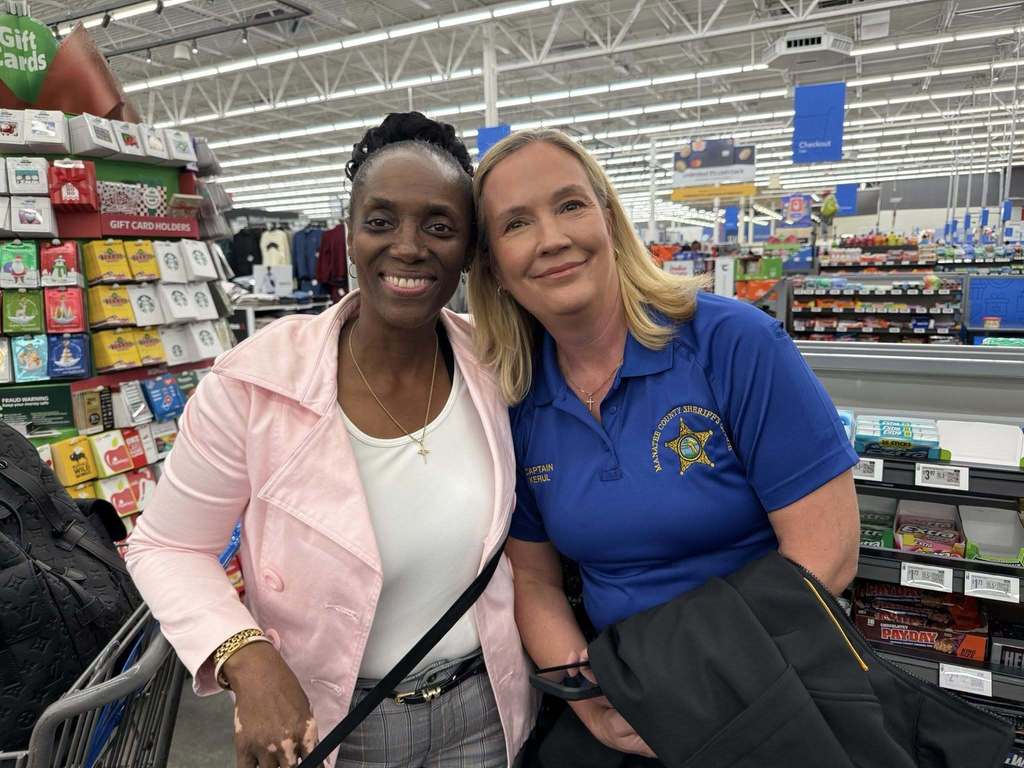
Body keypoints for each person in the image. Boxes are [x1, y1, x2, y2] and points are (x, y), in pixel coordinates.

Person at [126, 113, 537, 768]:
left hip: (481, 711)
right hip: (336, 722)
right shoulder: (256, 383)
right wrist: (246, 655)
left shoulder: (497, 367)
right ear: (349, 234)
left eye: (439, 226)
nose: (407, 246)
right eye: (380, 221)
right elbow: (168, 545)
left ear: (468, 248)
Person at [466, 129, 860, 763]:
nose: (552, 238)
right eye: (516, 224)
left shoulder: (733, 344)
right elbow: (535, 582)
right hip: (623, 694)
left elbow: (829, 554)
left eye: (570, 205)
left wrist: (686, 689)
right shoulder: (515, 400)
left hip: (773, 677)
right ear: (494, 269)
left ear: (609, 220)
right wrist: (586, 699)